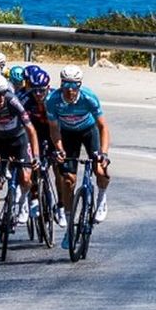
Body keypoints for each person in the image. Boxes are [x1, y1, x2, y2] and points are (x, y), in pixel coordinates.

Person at [0, 72, 40, 246]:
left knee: (26, 178)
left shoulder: (12, 101)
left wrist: (36, 156)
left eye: (3, 93)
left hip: (19, 140)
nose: (1, 98)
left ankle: (23, 201)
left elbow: (31, 131)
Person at [45, 67, 111, 224]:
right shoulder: (52, 100)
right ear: (61, 85)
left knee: (99, 169)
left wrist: (104, 153)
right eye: (66, 86)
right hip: (67, 134)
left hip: (89, 131)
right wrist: (59, 149)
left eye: (73, 86)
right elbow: (54, 129)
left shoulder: (89, 97)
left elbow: (103, 127)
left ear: (79, 86)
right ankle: (69, 223)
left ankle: (101, 199)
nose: (69, 91)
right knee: (68, 180)